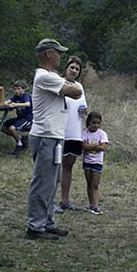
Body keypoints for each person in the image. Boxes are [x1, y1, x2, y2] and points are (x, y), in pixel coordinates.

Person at [25, 39, 83, 240]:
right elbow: (77, 91)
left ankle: (48, 222)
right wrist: (67, 84)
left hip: (54, 136)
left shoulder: (51, 77)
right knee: (43, 181)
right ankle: (35, 226)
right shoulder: (44, 76)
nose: (61, 56)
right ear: (49, 53)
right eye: (58, 52)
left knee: (52, 181)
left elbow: (72, 90)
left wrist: (65, 83)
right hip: (46, 135)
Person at [57, 57, 88, 211]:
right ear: (66, 68)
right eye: (72, 67)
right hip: (60, 131)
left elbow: (83, 108)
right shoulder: (58, 82)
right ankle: (51, 201)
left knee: (69, 165)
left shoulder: (80, 87)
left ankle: (65, 200)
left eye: (77, 69)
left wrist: (84, 111)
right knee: (57, 165)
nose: (74, 71)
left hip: (75, 131)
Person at [81, 110, 109, 215]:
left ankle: (96, 205)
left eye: (98, 123)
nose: (95, 125)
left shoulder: (102, 134)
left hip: (97, 162)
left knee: (95, 184)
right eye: (93, 123)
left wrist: (90, 147)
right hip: (87, 162)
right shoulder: (84, 133)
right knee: (89, 183)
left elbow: (102, 147)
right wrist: (95, 146)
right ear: (88, 123)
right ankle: (91, 204)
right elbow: (83, 146)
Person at [2, 80, 33, 157]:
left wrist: (15, 104)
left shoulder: (25, 95)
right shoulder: (16, 96)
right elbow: (7, 101)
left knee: (12, 128)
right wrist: (6, 103)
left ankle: (19, 144)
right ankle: (20, 138)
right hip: (19, 118)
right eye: (15, 89)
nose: (17, 91)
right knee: (2, 127)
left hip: (28, 118)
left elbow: (27, 104)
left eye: (19, 89)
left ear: (23, 89)